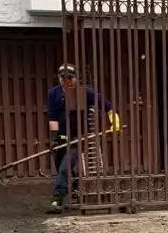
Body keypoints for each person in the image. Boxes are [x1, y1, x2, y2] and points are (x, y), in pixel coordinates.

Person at [45, 63, 117, 214]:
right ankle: (77, 185)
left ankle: (56, 199)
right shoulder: (54, 94)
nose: (67, 81)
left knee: (65, 168)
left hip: (78, 138)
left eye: (70, 78)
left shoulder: (85, 93)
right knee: (61, 168)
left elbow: (106, 104)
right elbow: (52, 118)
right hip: (60, 138)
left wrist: (113, 118)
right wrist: (54, 138)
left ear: (76, 79)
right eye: (63, 78)